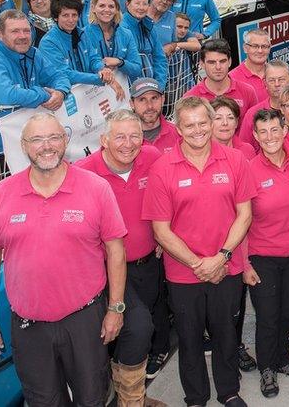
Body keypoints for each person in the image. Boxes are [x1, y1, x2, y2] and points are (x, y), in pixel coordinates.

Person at [0, 113, 127, 407]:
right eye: (37, 139)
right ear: (23, 145)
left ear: (66, 140)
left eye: (54, 137)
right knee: (43, 401)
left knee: (92, 397)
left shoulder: (95, 188)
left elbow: (116, 250)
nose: (47, 146)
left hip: (85, 320)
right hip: (29, 327)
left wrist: (116, 309)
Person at [143, 96, 255, 407]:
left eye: (203, 123)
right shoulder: (163, 169)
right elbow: (161, 230)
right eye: (189, 125)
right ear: (178, 129)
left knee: (226, 335)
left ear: (212, 123)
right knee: (190, 340)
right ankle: (195, 397)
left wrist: (222, 257)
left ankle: (229, 391)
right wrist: (198, 263)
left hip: (226, 267)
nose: (197, 130)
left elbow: (244, 214)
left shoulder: (234, 160)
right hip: (183, 272)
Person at [74, 110, 167, 407]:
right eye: (120, 137)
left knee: (134, 331)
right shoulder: (84, 173)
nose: (128, 144)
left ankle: (127, 393)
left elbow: (171, 194)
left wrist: (165, 233)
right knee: (138, 327)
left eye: (135, 136)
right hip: (108, 270)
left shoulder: (152, 159)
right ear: (103, 140)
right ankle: (132, 400)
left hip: (149, 264)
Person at [0, 10, 71, 210]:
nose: (22, 36)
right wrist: (45, 94)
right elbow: (9, 95)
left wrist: (61, 93)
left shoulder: (33, 53)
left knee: (21, 201)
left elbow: (58, 75)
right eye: (15, 31)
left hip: (15, 140)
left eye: (26, 31)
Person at [243, 108, 289, 397]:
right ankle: (267, 367)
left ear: (285, 130)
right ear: (256, 137)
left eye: (275, 130)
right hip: (263, 256)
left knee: (285, 313)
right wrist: (244, 263)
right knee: (269, 316)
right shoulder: (248, 170)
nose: (270, 137)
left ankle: (283, 358)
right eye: (263, 132)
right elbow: (241, 220)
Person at [39, 0, 126, 98]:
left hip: (86, 94)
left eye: (74, 15)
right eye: (65, 15)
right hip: (64, 97)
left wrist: (102, 70)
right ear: (56, 17)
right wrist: (101, 78)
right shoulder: (48, 43)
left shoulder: (82, 33)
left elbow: (93, 58)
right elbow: (65, 73)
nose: (71, 20)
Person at [82, 0, 143, 84]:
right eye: (102, 6)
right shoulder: (83, 35)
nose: (107, 10)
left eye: (111, 6)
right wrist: (102, 66)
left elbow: (137, 69)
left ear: (116, 10)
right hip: (93, 93)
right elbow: (82, 67)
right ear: (93, 8)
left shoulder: (126, 34)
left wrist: (120, 62)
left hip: (122, 92)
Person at [185, 39, 259, 113]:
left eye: (222, 61)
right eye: (212, 62)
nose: (218, 67)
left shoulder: (247, 92)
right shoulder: (190, 97)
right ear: (202, 64)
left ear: (229, 62)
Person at [229, 29, 273, 102]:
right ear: (245, 48)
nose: (260, 51)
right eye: (255, 46)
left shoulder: (275, 72)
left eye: (264, 46)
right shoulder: (231, 78)